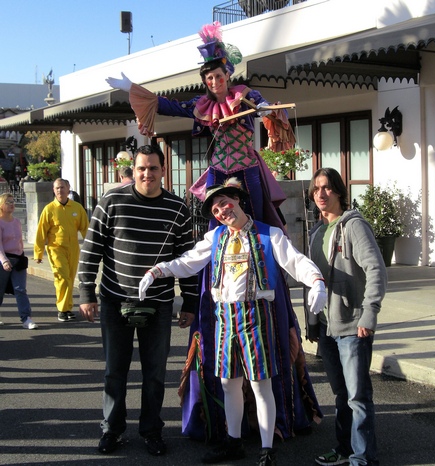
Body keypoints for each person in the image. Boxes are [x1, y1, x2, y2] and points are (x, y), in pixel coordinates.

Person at [107, 21, 320, 443]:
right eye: (209, 78)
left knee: (261, 235)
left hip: (248, 178)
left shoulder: (247, 97)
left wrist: (268, 113)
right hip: (220, 178)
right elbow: (167, 108)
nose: (215, 82)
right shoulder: (202, 106)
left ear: (229, 76)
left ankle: (262, 438)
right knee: (216, 240)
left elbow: (271, 109)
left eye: (220, 76)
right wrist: (135, 90)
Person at [138, 178, 327, 465]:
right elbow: (188, 261)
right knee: (228, 383)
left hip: (256, 317)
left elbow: (296, 261)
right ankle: (234, 442)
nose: (221, 210)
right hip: (225, 318)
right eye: (215, 209)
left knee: (260, 385)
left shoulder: (269, 234)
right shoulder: (215, 238)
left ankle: (267, 449)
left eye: (225, 203)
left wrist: (316, 281)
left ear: (238, 200)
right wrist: (158, 271)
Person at [78, 144, 199, 457]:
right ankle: (112, 430)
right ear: (133, 170)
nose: (147, 174)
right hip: (114, 301)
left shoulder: (177, 208)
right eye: (141, 168)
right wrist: (86, 293)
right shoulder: (111, 201)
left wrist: (190, 301)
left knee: (155, 374)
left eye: (153, 168)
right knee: (114, 372)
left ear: (163, 170)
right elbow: (91, 250)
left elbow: (186, 259)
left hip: (157, 304)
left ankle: (151, 430)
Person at [307, 168, 387, 466]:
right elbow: (311, 280)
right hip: (327, 327)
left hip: (353, 325)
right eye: (316, 189)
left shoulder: (354, 226)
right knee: (341, 395)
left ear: (339, 191)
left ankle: (363, 458)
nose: (321, 194)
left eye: (327, 188)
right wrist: (313, 321)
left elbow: (376, 270)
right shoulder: (317, 232)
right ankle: (344, 450)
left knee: (357, 397)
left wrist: (370, 313)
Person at [34, 178, 89, 322]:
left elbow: (86, 229)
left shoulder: (77, 208)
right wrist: (38, 253)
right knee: (62, 278)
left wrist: (92, 248)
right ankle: (62, 309)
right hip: (56, 248)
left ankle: (68, 308)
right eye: (57, 188)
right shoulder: (49, 209)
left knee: (70, 278)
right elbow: (41, 233)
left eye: (62, 187)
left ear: (68, 188)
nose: (60, 190)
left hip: (73, 249)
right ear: (54, 190)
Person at [0, 193, 37, 329]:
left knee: (20, 289)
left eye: (13, 201)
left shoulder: (16, 222)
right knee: (0, 289)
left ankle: (26, 318)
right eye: (8, 202)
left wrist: (22, 256)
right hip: (4, 260)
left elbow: (20, 241)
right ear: (1, 206)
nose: (12, 204)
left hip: (18, 259)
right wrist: (4, 261)